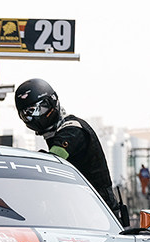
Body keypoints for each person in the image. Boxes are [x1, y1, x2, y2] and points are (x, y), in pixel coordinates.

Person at [15, 78, 122, 218]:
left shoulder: (72, 129)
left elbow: (53, 161)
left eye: (37, 109)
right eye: (26, 114)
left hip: (99, 212)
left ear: (52, 102)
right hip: (80, 209)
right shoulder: (55, 133)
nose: (33, 117)